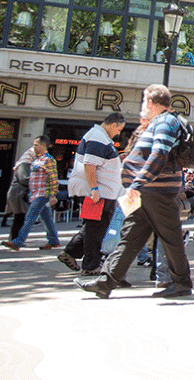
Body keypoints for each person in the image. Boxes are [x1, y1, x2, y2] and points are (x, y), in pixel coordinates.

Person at [77, 83, 194, 298]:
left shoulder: (166, 122)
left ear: (150, 102)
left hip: (156, 191)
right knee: (130, 236)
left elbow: (159, 154)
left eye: (143, 101)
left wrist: (138, 183)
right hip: (148, 191)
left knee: (171, 237)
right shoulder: (160, 122)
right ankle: (106, 282)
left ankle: (182, 283)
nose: (142, 106)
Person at [59, 113, 126, 274]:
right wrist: (94, 189)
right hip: (98, 192)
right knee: (96, 229)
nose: (118, 134)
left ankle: (70, 252)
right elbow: (90, 164)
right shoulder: (97, 137)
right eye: (119, 130)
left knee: (92, 226)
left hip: (101, 192)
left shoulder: (100, 137)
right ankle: (91, 266)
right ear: (113, 125)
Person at [3, 135, 61, 251]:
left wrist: (53, 194)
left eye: (36, 145)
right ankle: (54, 240)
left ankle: (18, 242)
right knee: (47, 219)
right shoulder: (36, 160)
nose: (34, 147)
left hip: (42, 194)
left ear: (43, 145)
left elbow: (53, 178)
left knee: (30, 217)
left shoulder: (48, 160)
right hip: (35, 194)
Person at [5, 143, 35, 242]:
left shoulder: (25, 164)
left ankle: (14, 238)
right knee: (20, 217)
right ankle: (15, 239)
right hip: (19, 194)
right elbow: (24, 179)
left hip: (18, 193)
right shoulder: (24, 164)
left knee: (19, 217)